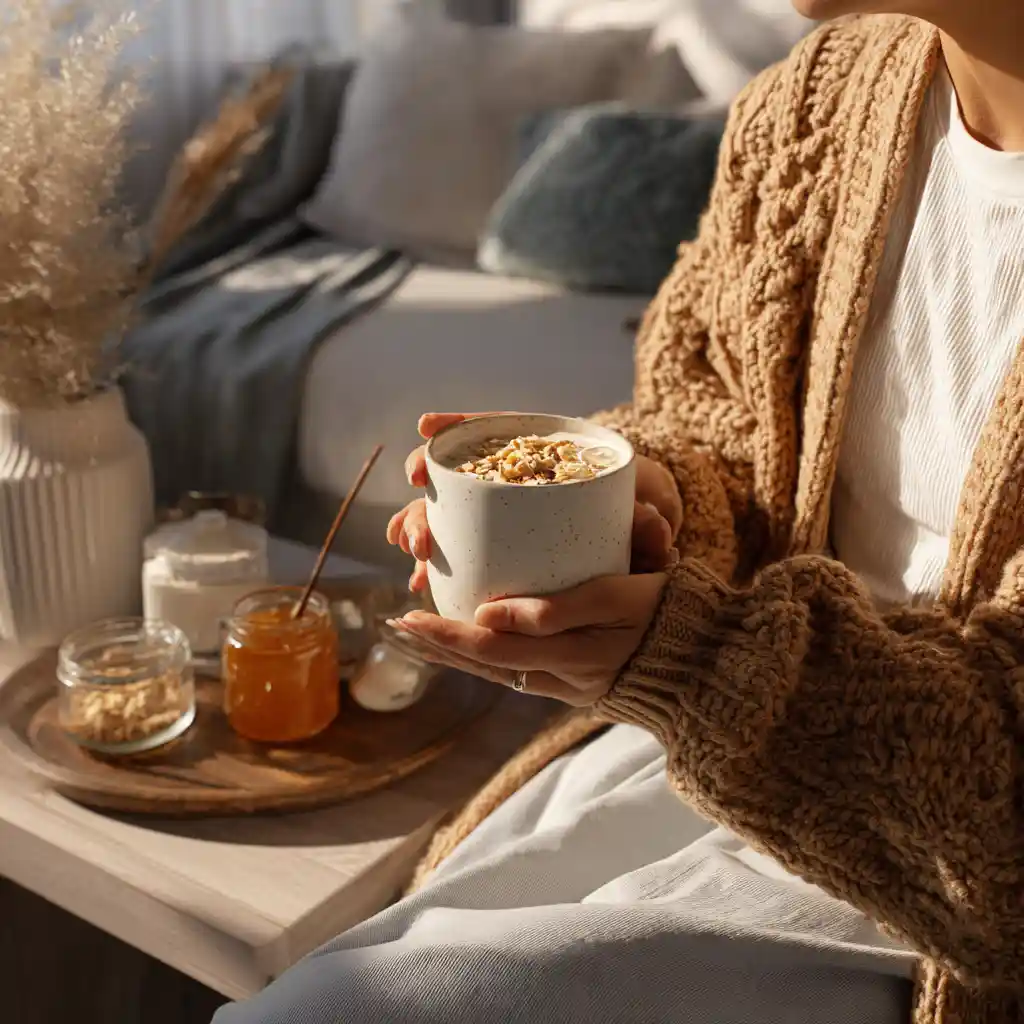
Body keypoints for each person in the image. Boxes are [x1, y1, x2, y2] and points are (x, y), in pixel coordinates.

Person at [213, 3, 1024, 1023]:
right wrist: (657, 502)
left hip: (942, 912)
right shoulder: (817, 100)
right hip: (720, 755)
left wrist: (700, 661)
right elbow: (721, 414)